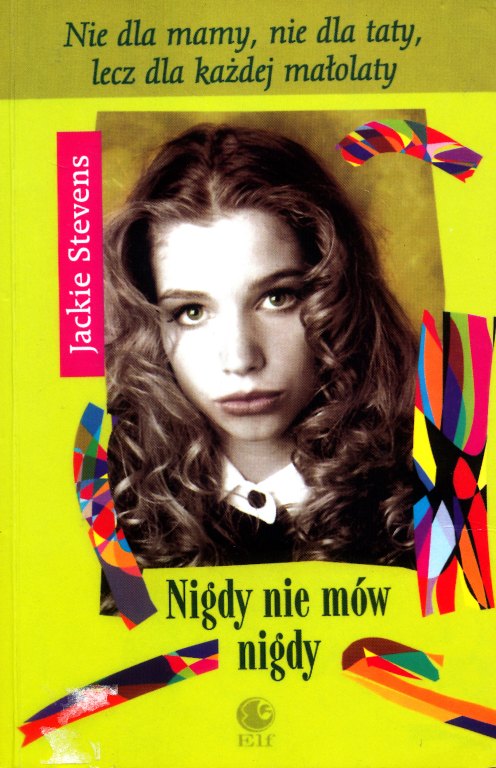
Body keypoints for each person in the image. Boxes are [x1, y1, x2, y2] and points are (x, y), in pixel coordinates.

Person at [104, 123, 417, 572]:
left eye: (277, 298)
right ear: (149, 324)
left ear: (337, 296)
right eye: (191, 311)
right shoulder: (102, 503)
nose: (240, 360)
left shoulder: (439, 490)